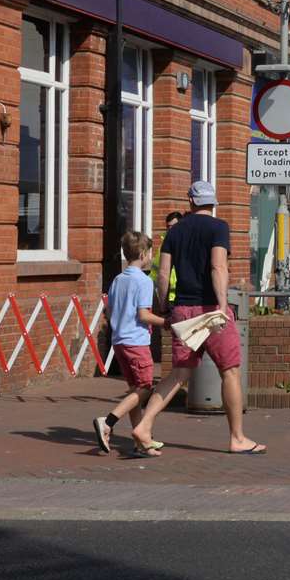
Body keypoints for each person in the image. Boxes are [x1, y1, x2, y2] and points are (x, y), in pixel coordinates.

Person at [130, 181, 264, 456]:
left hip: (182, 310)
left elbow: (164, 274)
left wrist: (165, 305)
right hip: (210, 310)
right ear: (213, 203)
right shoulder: (219, 228)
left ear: (190, 202)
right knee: (230, 371)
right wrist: (223, 305)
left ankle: (144, 425)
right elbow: (218, 266)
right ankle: (237, 438)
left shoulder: (175, 232)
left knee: (179, 373)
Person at [93, 231, 167, 456]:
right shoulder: (143, 281)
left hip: (119, 342)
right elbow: (143, 315)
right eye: (151, 253)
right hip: (136, 341)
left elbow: (110, 310)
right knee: (145, 388)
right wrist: (167, 322)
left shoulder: (118, 279)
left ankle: (140, 443)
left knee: (135, 390)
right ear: (144, 254)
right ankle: (108, 421)